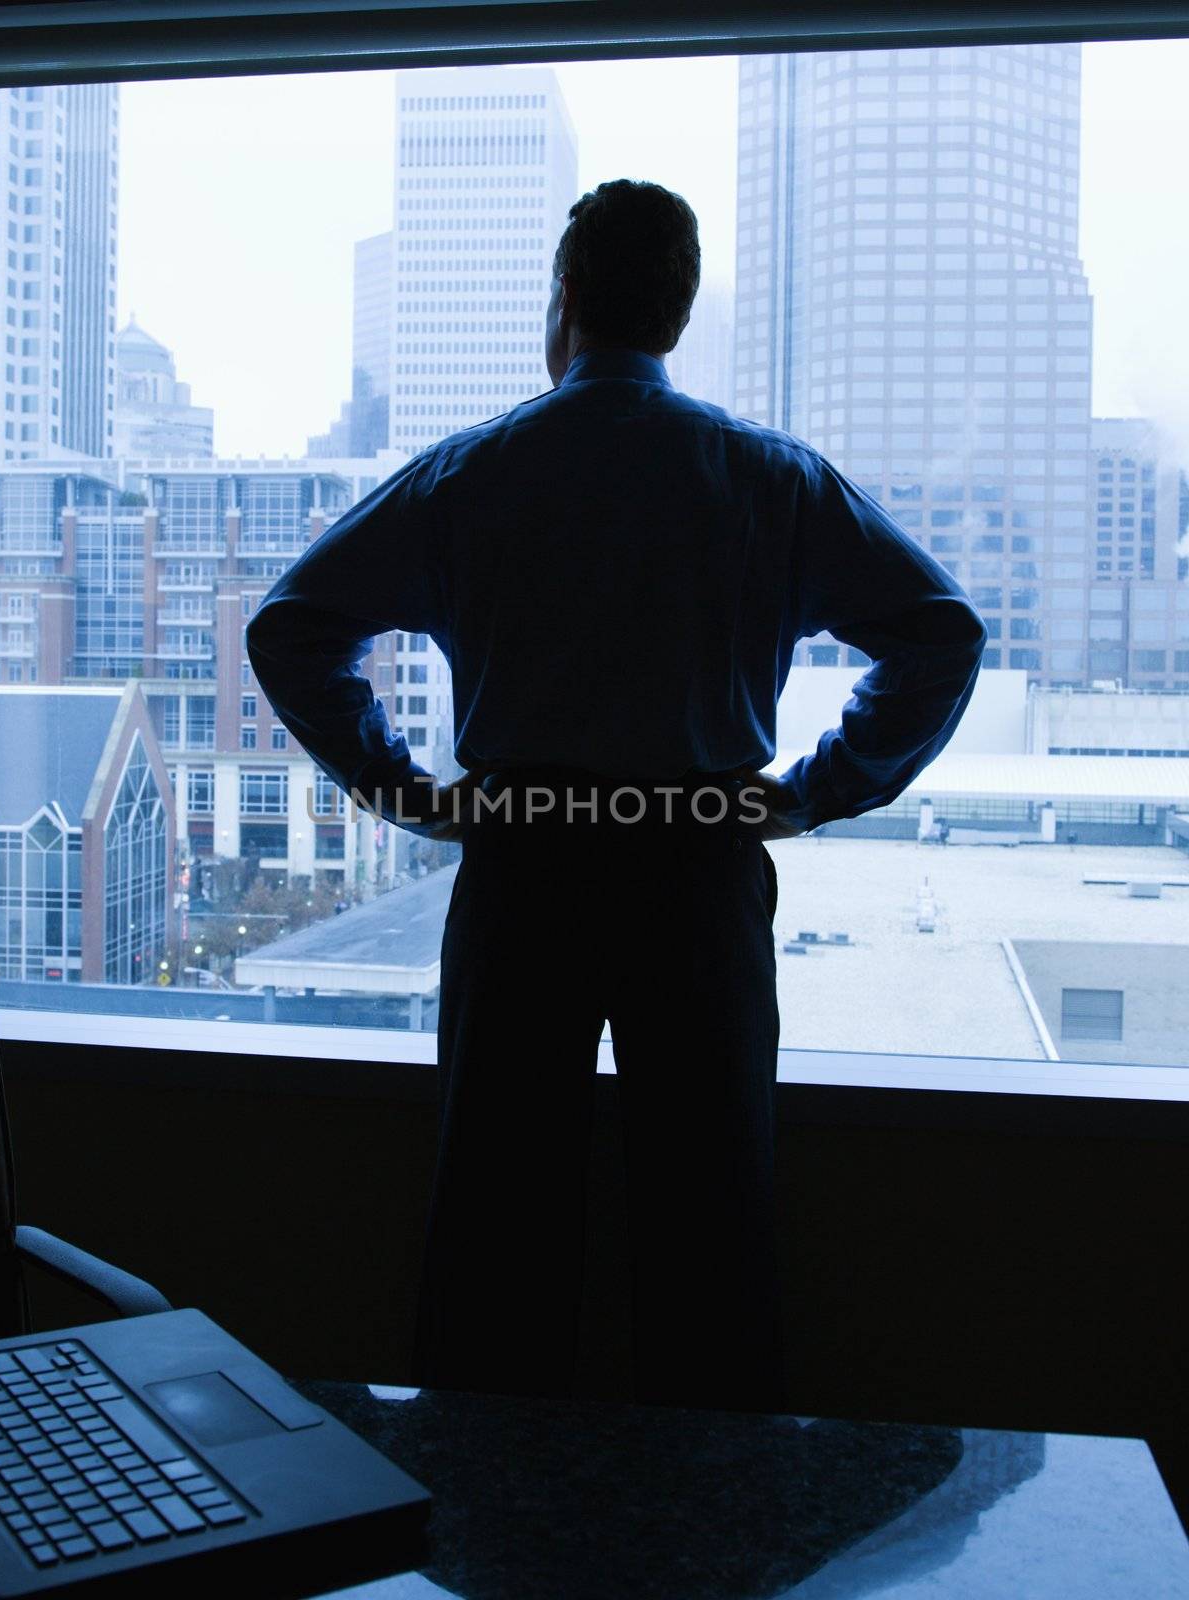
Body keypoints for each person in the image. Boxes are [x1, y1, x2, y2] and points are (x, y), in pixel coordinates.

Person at [247, 179, 986, 1412]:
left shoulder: (471, 476)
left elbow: (292, 629)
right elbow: (939, 639)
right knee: (712, 1224)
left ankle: (486, 1536)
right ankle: (710, 1537)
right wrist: (810, 793)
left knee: (495, 1222)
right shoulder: (768, 480)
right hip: (696, 869)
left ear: (567, 296)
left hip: (522, 866)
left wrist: (399, 788)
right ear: (679, 311)